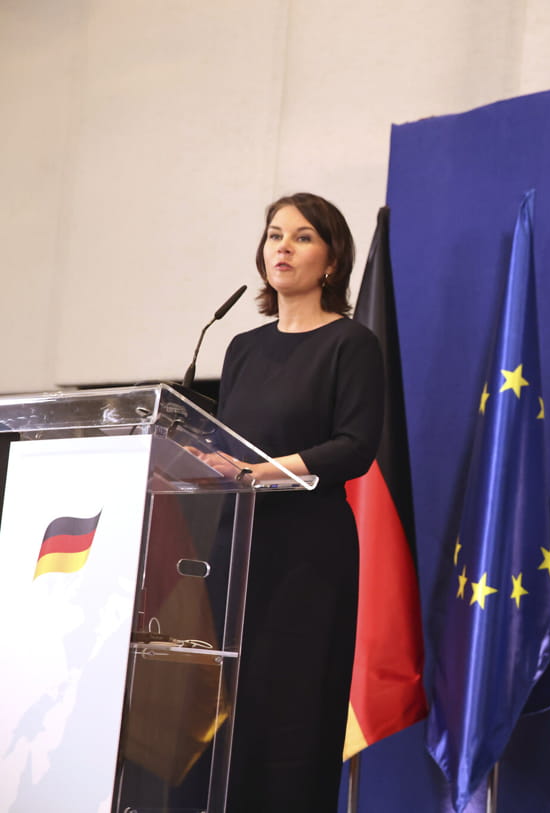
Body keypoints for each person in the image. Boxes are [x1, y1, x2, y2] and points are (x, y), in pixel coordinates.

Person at [217, 192, 383, 811]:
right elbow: (226, 444)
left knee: (293, 710)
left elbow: (355, 447)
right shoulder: (241, 347)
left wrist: (261, 471)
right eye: (273, 235)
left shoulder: (350, 344)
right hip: (238, 550)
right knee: (238, 711)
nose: (282, 247)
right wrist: (217, 465)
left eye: (302, 236)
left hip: (308, 554)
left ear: (332, 260)